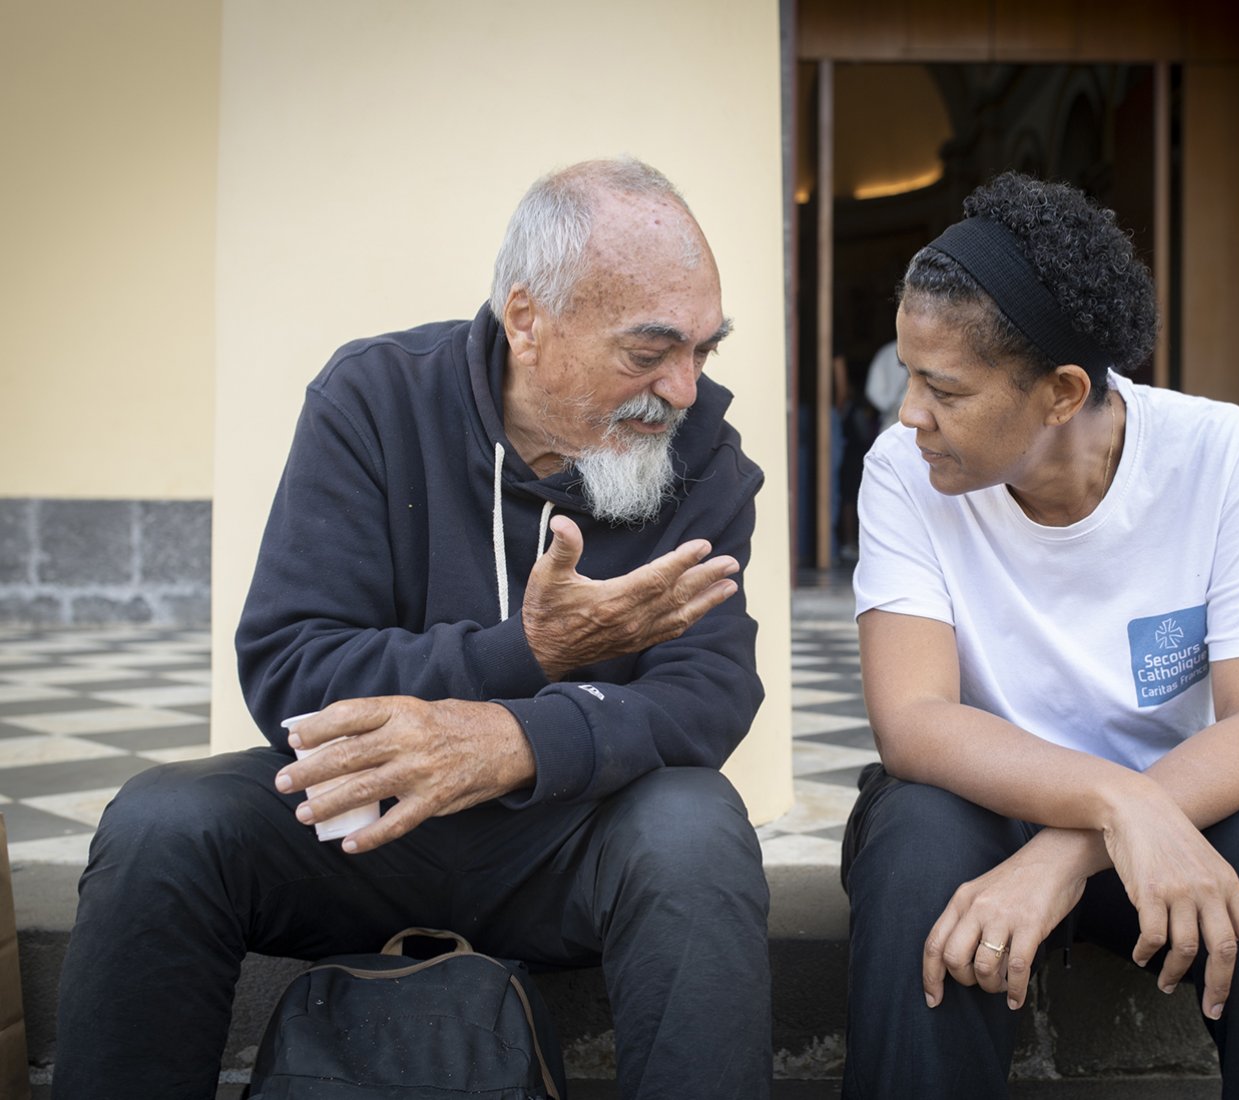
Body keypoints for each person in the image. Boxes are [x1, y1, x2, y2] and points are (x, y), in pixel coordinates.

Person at [54, 158, 773, 1100]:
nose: (682, 389)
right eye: (648, 354)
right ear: (526, 319)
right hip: (362, 835)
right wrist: (529, 655)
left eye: (703, 351)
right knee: (161, 822)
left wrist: (513, 740)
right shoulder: (374, 399)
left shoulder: (706, 455)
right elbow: (291, 666)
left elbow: (708, 692)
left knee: (697, 828)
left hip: (562, 843)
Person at [840, 172, 1239, 1099]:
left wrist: (1097, 830)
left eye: (943, 387)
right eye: (908, 375)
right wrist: (1116, 804)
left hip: (1177, 810)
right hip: (982, 805)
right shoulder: (903, 469)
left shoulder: (1226, 456)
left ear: (1062, 392)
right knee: (917, 851)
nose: (910, 414)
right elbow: (913, 719)